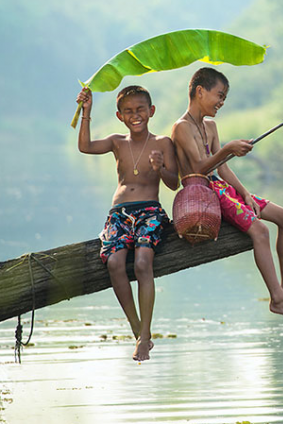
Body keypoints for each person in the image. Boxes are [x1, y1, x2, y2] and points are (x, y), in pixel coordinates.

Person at [171, 67, 283, 321]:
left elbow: (223, 168)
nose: (221, 103)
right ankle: (277, 299)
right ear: (200, 91)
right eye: (219, 96)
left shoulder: (210, 125)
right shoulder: (181, 127)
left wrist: (245, 193)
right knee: (260, 231)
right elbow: (198, 167)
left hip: (223, 189)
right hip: (204, 193)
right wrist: (228, 148)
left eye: (224, 99)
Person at [76, 85, 179, 361]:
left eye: (141, 110)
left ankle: (145, 335)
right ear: (120, 116)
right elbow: (85, 147)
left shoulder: (163, 143)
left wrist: (161, 168)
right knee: (114, 263)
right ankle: (138, 332)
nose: (136, 115)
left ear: (151, 111)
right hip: (119, 213)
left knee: (144, 263)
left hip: (150, 212)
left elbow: (173, 182)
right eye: (129, 111)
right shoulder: (116, 142)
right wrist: (87, 111)